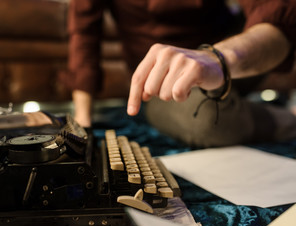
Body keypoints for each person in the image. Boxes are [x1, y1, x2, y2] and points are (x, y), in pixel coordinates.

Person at [65, 0, 296, 147]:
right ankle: (287, 118)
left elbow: (278, 17)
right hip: (163, 79)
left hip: (231, 55)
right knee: (206, 122)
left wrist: (218, 58)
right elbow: (84, 35)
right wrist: (83, 121)